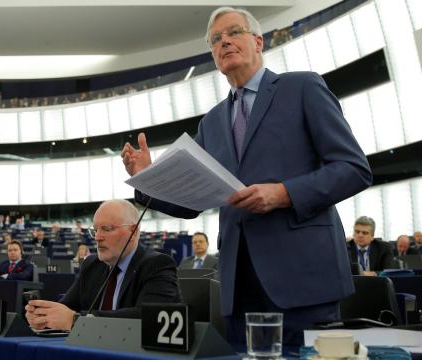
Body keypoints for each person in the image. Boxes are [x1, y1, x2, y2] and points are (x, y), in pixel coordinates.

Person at [120, 7, 371, 350]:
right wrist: (147, 178)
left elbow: (353, 168)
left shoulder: (302, 88)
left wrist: (284, 193)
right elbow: (190, 203)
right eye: (216, 40)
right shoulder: (211, 123)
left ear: (258, 41)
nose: (224, 42)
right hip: (239, 288)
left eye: (233, 33)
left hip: (303, 281)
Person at [25, 200, 181, 330]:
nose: (98, 237)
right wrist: (45, 316)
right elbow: (68, 307)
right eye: (95, 230)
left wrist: (77, 321)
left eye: (106, 229)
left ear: (133, 232)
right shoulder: (92, 264)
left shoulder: (157, 264)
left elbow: (148, 316)